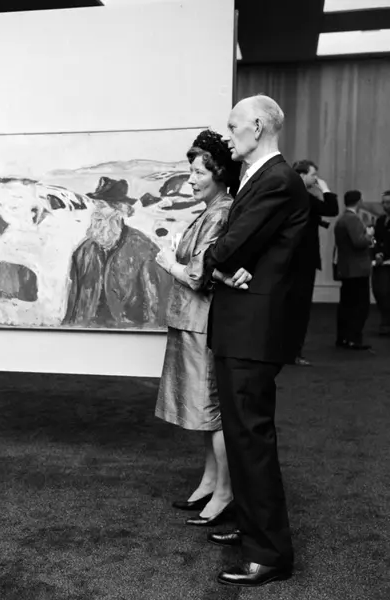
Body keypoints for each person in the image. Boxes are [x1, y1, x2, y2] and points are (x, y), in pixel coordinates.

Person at [202, 94, 310, 587]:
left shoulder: (276, 180)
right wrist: (226, 264)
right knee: (243, 436)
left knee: (251, 438)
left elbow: (226, 248)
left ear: (259, 126)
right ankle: (251, 529)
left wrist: (220, 263)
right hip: (244, 326)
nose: (228, 135)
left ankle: (269, 554)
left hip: (254, 330)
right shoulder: (261, 178)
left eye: (233, 126)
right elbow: (235, 251)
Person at [154, 130, 242, 526]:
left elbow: (198, 276)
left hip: (202, 323)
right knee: (204, 411)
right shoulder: (210, 211)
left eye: (198, 172)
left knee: (212, 410)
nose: (190, 179)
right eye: (190, 172)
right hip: (192, 321)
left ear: (219, 173)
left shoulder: (221, 212)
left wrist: (168, 263)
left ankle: (225, 490)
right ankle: (210, 481)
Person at [63, 177, 169, 328]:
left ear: (119, 211)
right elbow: (73, 305)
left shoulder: (144, 250)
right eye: (96, 206)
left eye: (102, 206)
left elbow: (156, 308)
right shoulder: (83, 252)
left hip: (128, 335)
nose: (96, 213)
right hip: (86, 334)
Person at [290, 160, 339, 366]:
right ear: (302, 175)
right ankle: (294, 353)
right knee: (300, 309)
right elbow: (332, 209)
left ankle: (287, 352)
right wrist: (325, 189)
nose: (316, 179)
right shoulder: (304, 197)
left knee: (289, 308)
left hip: (290, 258)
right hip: (303, 259)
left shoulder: (289, 195)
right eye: (313, 175)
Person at [333, 190, 374, 350]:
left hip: (346, 268)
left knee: (346, 304)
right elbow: (359, 242)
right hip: (357, 269)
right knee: (359, 305)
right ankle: (353, 338)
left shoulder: (342, 219)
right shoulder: (353, 219)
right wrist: (369, 235)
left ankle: (343, 337)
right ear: (359, 201)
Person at [371, 191, 390, 336]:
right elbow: (376, 239)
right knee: (379, 291)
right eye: (383, 202)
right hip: (380, 262)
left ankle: (386, 323)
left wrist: (383, 254)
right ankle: (385, 320)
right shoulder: (381, 220)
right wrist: (377, 253)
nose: (385, 205)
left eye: (388, 202)